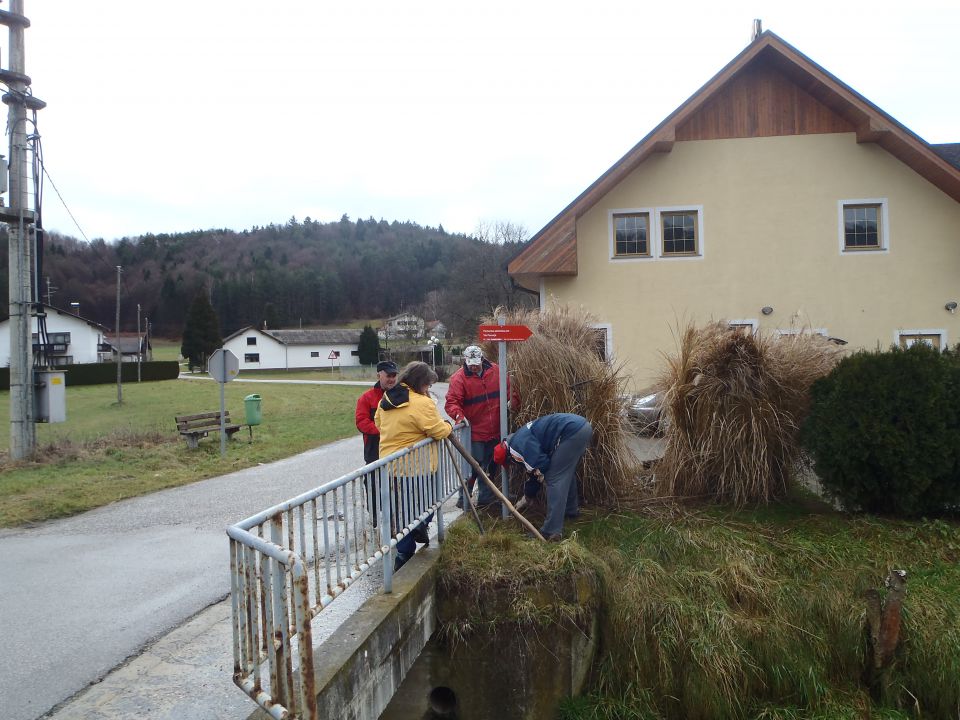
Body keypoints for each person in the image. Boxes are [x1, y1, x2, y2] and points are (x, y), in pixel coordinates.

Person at [375, 361, 452, 570]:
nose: (429, 389)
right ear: (421, 383)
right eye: (428, 385)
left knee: (400, 512)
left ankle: (403, 553)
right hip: (418, 466)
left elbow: (378, 423)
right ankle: (418, 528)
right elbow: (438, 431)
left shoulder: (387, 398)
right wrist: (447, 425)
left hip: (391, 466)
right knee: (429, 503)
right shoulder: (421, 403)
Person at [493, 413, 593, 541]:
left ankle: (551, 531)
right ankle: (571, 511)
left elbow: (541, 465)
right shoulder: (518, 438)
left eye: (509, 463)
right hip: (581, 427)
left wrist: (528, 495)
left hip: (572, 432)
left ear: (509, 457)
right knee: (564, 472)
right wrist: (530, 493)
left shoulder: (515, 448)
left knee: (554, 478)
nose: (512, 465)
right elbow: (535, 468)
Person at [445, 345, 511, 510]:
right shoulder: (458, 378)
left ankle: (485, 500)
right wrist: (460, 416)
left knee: (490, 466)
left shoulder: (496, 371)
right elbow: (452, 402)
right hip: (474, 432)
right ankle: (464, 498)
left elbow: (510, 390)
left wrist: (512, 402)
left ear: (482, 359)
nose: (473, 366)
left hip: (495, 429)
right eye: (469, 363)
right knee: (472, 467)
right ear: (465, 361)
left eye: (476, 362)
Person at [355, 360, 399, 464]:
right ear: (378, 376)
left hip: (397, 449)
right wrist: (385, 431)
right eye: (389, 376)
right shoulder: (366, 398)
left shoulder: (402, 396)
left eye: (394, 376)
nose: (392, 379)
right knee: (373, 480)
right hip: (374, 451)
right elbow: (361, 422)